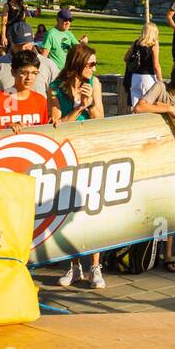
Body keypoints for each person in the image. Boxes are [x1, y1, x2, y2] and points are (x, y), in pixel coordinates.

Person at [49, 43, 107, 289]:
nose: (93, 68)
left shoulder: (95, 84)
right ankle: (73, 266)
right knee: (69, 210)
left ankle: (95, 265)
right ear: (78, 63)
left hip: (90, 148)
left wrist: (91, 103)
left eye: (95, 64)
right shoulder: (56, 87)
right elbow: (57, 123)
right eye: (90, 64)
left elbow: (100, 119)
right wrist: (79, 106)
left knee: (92, 207)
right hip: (67, 152)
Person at [133, 63, 175, 269]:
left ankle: (168, 254)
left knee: (168, 206)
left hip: (172, 157)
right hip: (150, 154)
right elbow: (139, 107)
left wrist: (167, 115)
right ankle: (145, 250)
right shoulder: (161, 88)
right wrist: (169, 109)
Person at [0, 21, 59, 99]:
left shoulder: (49, 66)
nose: (23, 48)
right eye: (19, 45)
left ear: (33, 39)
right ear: (11, 41)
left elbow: (57, 99)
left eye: (27, 44)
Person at [0, 50, 49, 132]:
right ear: (13, 72)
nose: (29, 77)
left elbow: (44, 134)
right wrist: (7, 131)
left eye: (34, 73)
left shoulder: (40, 101)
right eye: (24, 73)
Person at [122, 22, 163, 109]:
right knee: (148, 106)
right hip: (149, 78)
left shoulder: (136, 43)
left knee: (135, 107)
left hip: (135, 77)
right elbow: (156, 64)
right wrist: (161, 80)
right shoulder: (154, 44)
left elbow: (126, 58)